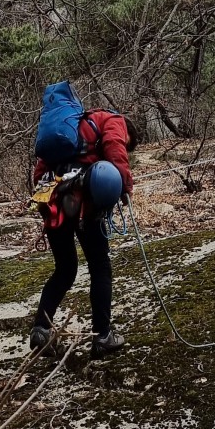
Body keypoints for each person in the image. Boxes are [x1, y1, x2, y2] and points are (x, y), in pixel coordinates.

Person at [30, 108, 137, 357]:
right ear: (128, 130)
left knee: (65, 270)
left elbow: (39, 172)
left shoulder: (68, 128)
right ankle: (102, 336)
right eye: (128, 142)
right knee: (100, 266)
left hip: (53, 201)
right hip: (86, 203)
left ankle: (40, 330)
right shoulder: (113, 121)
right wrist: (126, 185)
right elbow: (114, 147)